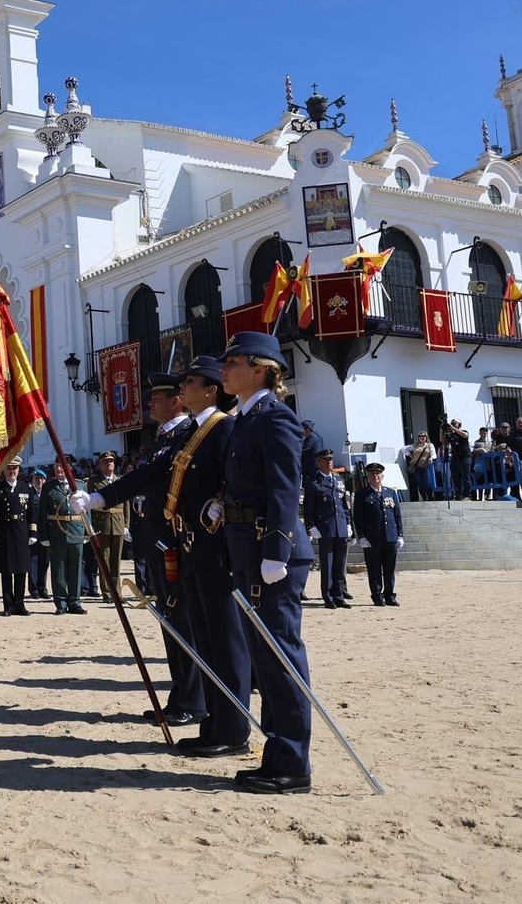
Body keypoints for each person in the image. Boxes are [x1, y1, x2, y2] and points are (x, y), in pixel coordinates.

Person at [73, 363, 231, 740]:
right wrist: (99, 498)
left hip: (181, 542)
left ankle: (193, 699)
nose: (150, 403)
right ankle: (183, 696)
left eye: (157, 397)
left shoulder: (196, 433)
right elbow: (147, 478)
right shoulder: (166, 439)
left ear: (176, 401)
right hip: (159, 543)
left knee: (185, 624)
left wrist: (102, 498)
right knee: (172, 623)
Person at [216, 332, 315, 794]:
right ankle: (277, 755)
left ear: (259, 369)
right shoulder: (245, 418)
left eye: (232, 362)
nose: (224, 369)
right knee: (264, 660)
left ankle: (293, 764)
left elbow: (284, 487)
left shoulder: (276, 417)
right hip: (246, 549)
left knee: (280, 658)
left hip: (269, 553)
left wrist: (277, 549)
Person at [0, 457, 35, 616]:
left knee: (21, 570)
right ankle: (8, 606)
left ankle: (19, 604)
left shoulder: (25, 488)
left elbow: (31, 513)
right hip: (4, 532)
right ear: (4, 470)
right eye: (9, 468)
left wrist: (32, 532)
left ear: (18, 470)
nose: (12, 471)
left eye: (15, 468)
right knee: (6, 571)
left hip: (21, 531)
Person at [304, 450, 352, 609]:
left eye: (331, 459)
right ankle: (328, 596)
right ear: (318, 462)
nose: (329, 462)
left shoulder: (338, 480)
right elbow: (308, 506)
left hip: (340, 526)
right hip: (325, 527)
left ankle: (339, 595)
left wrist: (348, 524)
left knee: (340, 564)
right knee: (328, 564)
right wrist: (311, 526)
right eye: (325, 460)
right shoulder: (314, 481)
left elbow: (344, 505)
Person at [352, 463, 404, 606]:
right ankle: (377, 595)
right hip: (372, 537)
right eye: (372, 474)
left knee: (389, 568)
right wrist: (361, 536)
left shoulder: (390, 492)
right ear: (368, 477)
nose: (375, 476)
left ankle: (390, 595)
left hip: (390, 535)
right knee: (374, 568)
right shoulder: (362, 494)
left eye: (378, 474)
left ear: (382, 476)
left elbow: (397, 515)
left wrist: (400, 534)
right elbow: (358, 517)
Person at [39, 462, 86, 615]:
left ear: (70, 468)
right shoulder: (48, 487)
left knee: (76, 568)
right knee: (58, 568)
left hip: (76, 530)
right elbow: (42, 512)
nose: (59, 469)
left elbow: (86, 509)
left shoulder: (80, 485)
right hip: (56, 531)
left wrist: (87, 531)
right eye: (57, 467)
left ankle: (75, 601)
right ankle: (61, 602)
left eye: (62, 466)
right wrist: (43, 535)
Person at [84, 451, 129, 602]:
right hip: (102, 524)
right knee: (104, 560)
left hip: (118, 523)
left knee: (116, 561)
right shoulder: (94, 481)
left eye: (111, 461)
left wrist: (126, 524)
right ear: (100, 465)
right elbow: (89, 504)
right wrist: (90, 526)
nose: (109, 464)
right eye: (105, 462)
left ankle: (117, 593)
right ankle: (107, 593)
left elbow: (126, 503)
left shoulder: (120, 480)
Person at [27, 468, 51, 599]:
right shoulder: (29, 493)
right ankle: (34, 588)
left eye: (41, 479)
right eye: (36, 478)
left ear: (45, 480)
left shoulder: (48, 494)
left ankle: (43, 587)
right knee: (33, 561)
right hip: (33, 532)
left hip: (46, 532)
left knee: (45, 561)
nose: (38, 481)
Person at [409, 432, 437, 500]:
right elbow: (404, 449)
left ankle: (430, 497)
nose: (421, 437)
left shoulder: (429, 445)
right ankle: (424, 497)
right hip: (417, 467)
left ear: (426, 437)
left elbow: (434, 454)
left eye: (423, 436)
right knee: (420, 483)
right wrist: (410, 455)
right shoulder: (415, 445)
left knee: (427, 483)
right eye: (420, 436)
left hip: (426, 467)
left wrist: (431, 458)